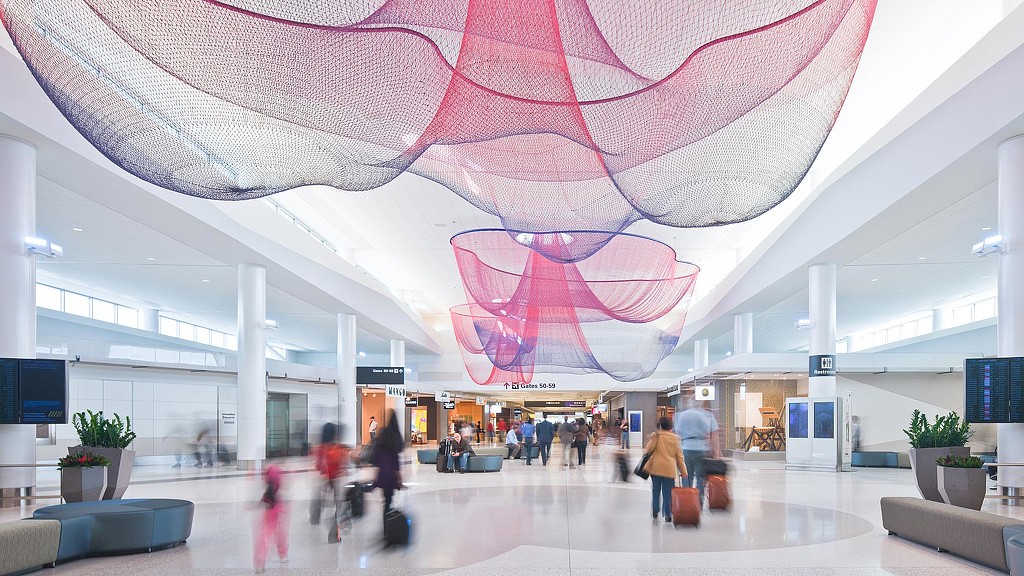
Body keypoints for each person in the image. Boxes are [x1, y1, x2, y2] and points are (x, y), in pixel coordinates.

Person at [673, 398, 720, 506]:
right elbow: (709, 433)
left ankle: (687, 499)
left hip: (685, 448)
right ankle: (699, 501)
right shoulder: (705, 415)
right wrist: (715, 451)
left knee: (686, 475)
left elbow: (677, 433)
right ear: (701, 403)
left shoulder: (681, 415)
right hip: (700, 449)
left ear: (689, 403)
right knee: (700, 476)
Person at [644, 417, 687, 523]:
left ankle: (655, 511)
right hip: (669, 469)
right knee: (668, 493)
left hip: (655, 468)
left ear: (660, 425)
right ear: (670, 426)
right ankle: (668, 514)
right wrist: (683, 471)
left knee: (656, 491)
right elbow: (679, 456)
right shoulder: (675, 438)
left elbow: (648, 450)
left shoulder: (656, 436)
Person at [313, 422, 349, 535]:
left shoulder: (320, 448)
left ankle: (317, 514)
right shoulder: (337, 447)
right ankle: (337, 517)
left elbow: (318, 464)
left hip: (325, 476)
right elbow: (341, 462)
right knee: (337, 497)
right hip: (334, 476)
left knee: (323, 497)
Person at [254, 465, 288, 572]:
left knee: (264, 535)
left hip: (268, 510)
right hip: (277, 508)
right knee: (280, 532)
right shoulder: (276, 492)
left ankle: (259, 562)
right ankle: (283, 554)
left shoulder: (267, 495)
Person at [372, 409, 404, 514]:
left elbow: (377, 461)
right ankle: (387, 520)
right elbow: (396, 465)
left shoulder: (383, 436)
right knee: (389, 499)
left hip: (382, 473)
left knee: (386, 498)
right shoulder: (395, 440)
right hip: (391, 476)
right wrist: (399, 481)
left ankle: (385, 516)